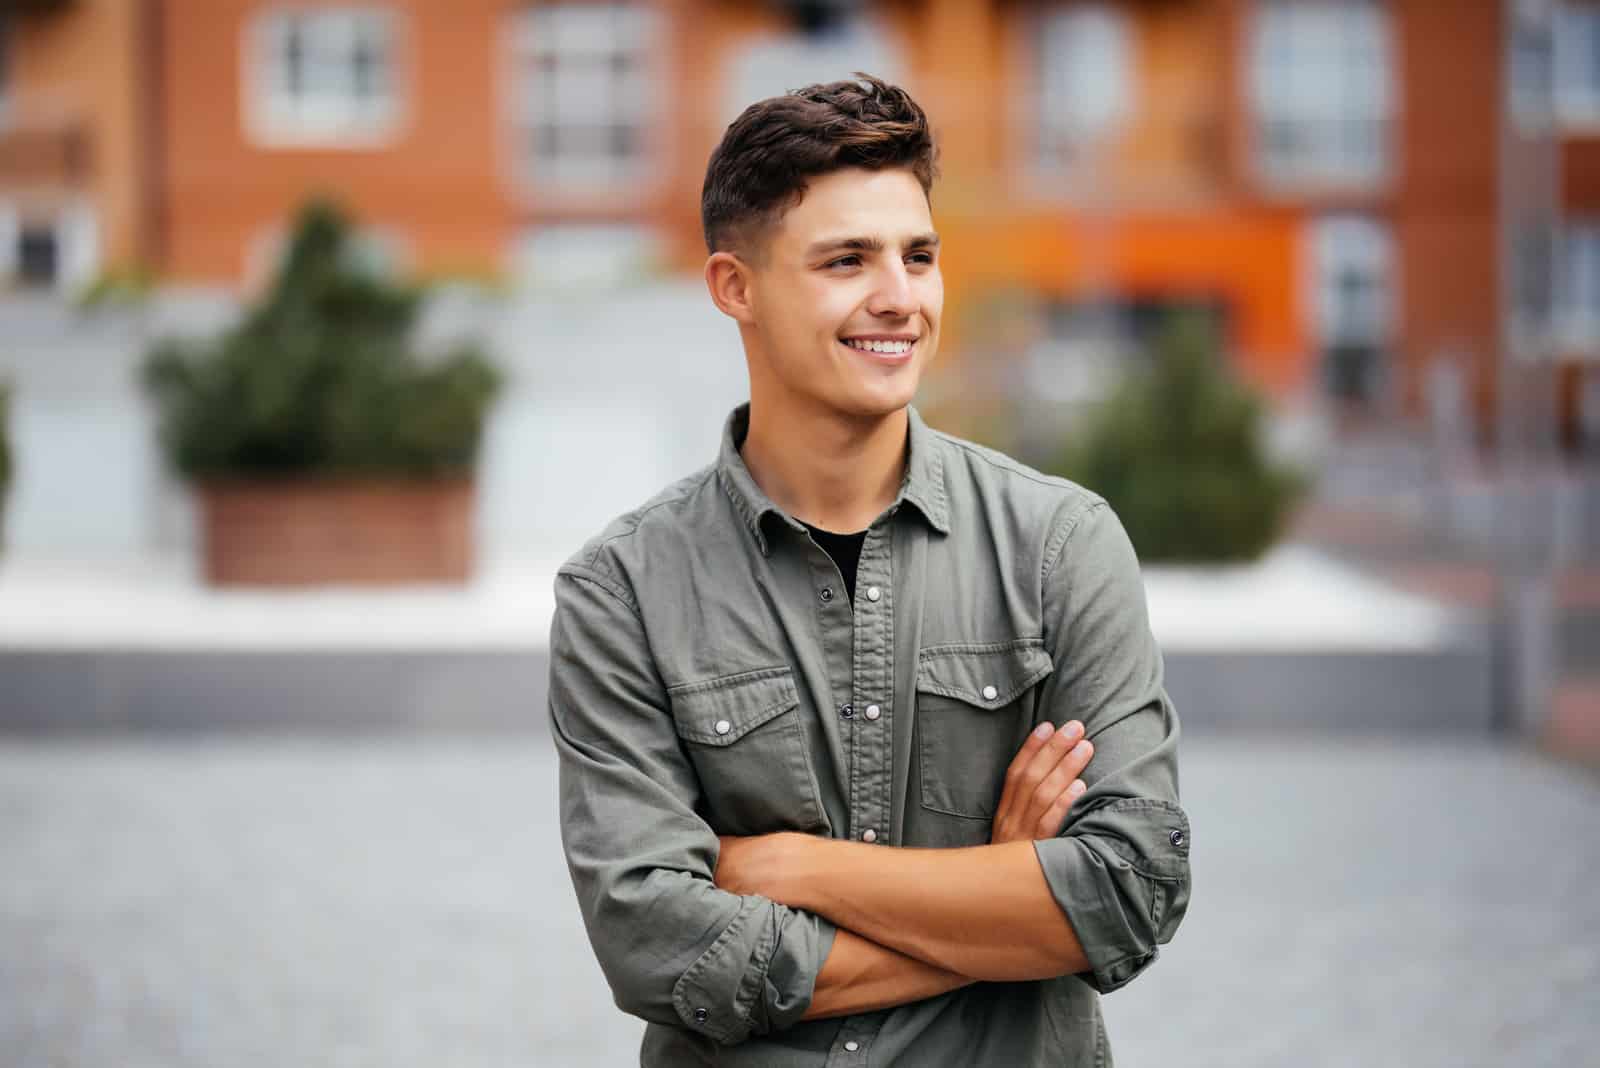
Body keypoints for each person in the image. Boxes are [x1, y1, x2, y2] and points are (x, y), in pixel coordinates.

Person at [548, 73, 1190, 1066]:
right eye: (846, 260)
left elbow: (1129, 891)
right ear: (735, 287)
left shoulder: (1062, 545)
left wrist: (793, 870)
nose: (899, 297)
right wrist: (1001, 891)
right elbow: (661, 951)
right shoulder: (623, 593)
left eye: (918, 256)